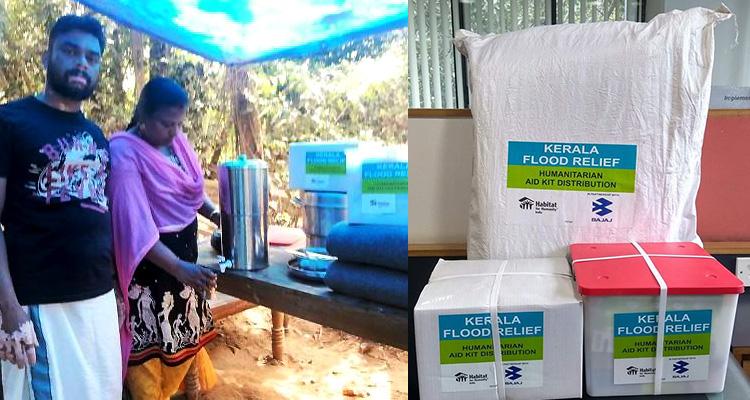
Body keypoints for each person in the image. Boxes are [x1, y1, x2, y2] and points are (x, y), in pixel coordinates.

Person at [0, 15, 122, 399]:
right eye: (70, 51)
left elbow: (95, 215)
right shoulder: (9, 121)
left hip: (98, 302)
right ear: (46, 55)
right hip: (41, 307)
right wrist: (10, 311)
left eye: (92, 56)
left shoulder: (95, 135)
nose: (82, 62)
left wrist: (114, 290)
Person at [109, 77, 219, 400]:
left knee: (184, 352)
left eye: (179, 123)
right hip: (150, 278)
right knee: (149, 367)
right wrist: (178, 268)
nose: (175, 132)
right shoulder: (124, 155)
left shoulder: (176, 143)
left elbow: (190, 192)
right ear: (143, 117)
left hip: (184, 271)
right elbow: (134, 230)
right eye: (167, 123)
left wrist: (217, 216)